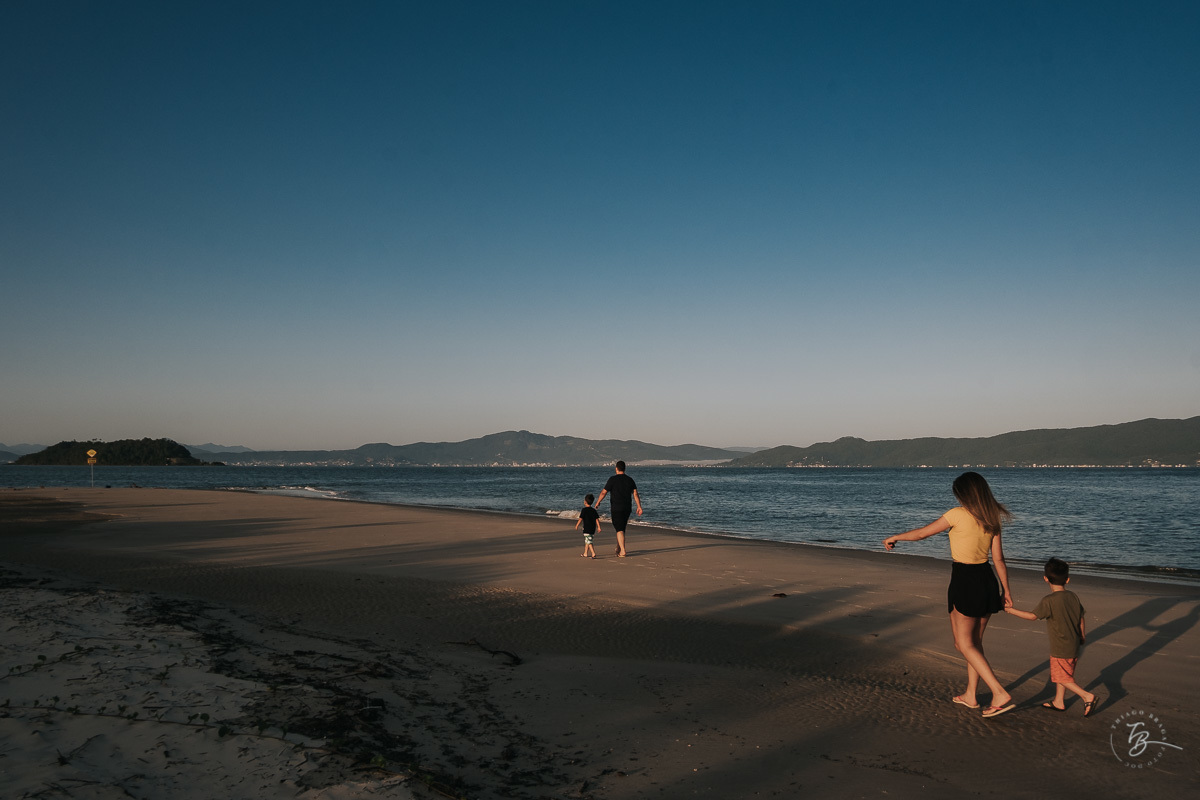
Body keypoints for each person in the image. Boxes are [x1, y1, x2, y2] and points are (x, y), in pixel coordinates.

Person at [883, 471, 1016, 718]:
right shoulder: (992, 517)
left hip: (965, 580)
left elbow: (922, 534)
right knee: (974, 644)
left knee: (963, 644)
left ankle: (999, 692)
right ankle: (971, 695)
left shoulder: (957, 514)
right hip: (987, 580)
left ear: (964, 494)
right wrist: (1006, 589)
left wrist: (895, 537)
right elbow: (998, 558)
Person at [1005, 557, 1098, 716]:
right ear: (1067, 580)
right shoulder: (1073, 596)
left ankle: (1087, 696)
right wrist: (1082, 635)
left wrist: (1010, 610)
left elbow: (1033, 616)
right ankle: (1059, 701)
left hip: (1060, 647)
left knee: (1061, 678)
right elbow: (1080, 617)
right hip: (1074, 643)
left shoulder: (1049, 600)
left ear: (1045, 579)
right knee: (1065, 674)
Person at [595, 460, 642, 557]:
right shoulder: (630, 480)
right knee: (621, 528)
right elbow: (635, 494)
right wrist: (639, 506)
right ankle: (618, 548)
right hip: (627, 508)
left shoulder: (612, 479)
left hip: (616, 508)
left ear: (616, 468)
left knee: (619, 528)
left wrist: (598, 502)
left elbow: (604, 492)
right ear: (624, 469)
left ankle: (623, 551)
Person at [574, 493, 601, 559]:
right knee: (587, 540)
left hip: (586, 528)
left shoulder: (584, 510)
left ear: (585, 502)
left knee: (589, 541)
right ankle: (585, 553)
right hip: (592, 528)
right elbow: (597, 519)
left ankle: (593, 553)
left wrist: (577, 525)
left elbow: (581, 518)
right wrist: (599, 527)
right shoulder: (593, 510)